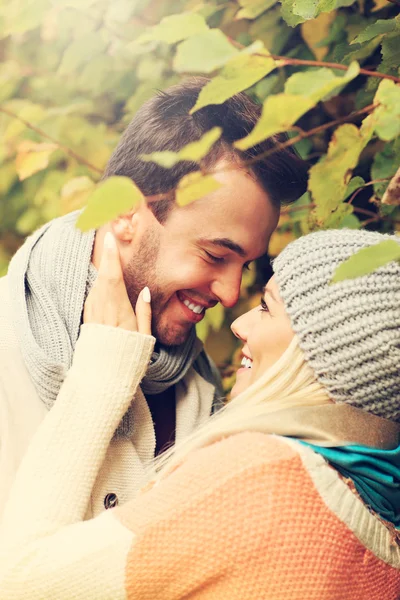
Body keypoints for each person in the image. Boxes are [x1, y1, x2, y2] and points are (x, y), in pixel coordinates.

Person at [1, 228, 399, 599]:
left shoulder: (262, 480)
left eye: (266, 307)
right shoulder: (384, 532)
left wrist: (102, 374)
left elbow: (20, 580)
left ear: (323, 356)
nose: (239, 322)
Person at [0, 78, 308, 520]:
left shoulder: (194, 382)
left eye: (245, 265)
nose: (230, 292)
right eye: (215, 254)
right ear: (126, 214)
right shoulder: (6, 352)